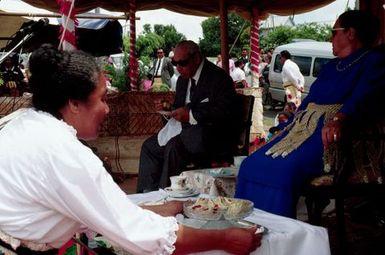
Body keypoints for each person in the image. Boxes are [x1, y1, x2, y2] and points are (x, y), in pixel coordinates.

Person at [0, 44, 261, 255]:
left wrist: (162, 209)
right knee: (158, 147)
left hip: (210, 137)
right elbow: (143, 237)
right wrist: (225, 238)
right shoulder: (65, 153)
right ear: (74, 104)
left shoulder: (25, 123)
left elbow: (102, 208)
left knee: (172, 146)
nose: (107, 108)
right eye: (102, 98)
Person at [235, 10, 385, 218]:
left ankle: (280, 237)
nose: (330, 38)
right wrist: (291, 117)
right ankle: (247, 228)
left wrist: (340, 119)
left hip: (332, 137)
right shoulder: (332, 65)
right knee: (250, 165)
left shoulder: (374, 60)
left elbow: (364, 96)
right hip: (303, 131)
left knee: (282, 171)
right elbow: (310, 98)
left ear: (350, 33)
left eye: (334, 32)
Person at [137, 40, 240, 192]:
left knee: (173, 147)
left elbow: (223, 113)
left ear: (196, 58)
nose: (178, 68)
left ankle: (167, 195)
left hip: (211, 134)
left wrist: (191, 115)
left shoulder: (218, 78)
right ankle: (147, 195)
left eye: (182, 63)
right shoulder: (182, 81)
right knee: (149, 147)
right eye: (175, 63)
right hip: (184, 131)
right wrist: (169, 108)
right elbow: (180, 108)